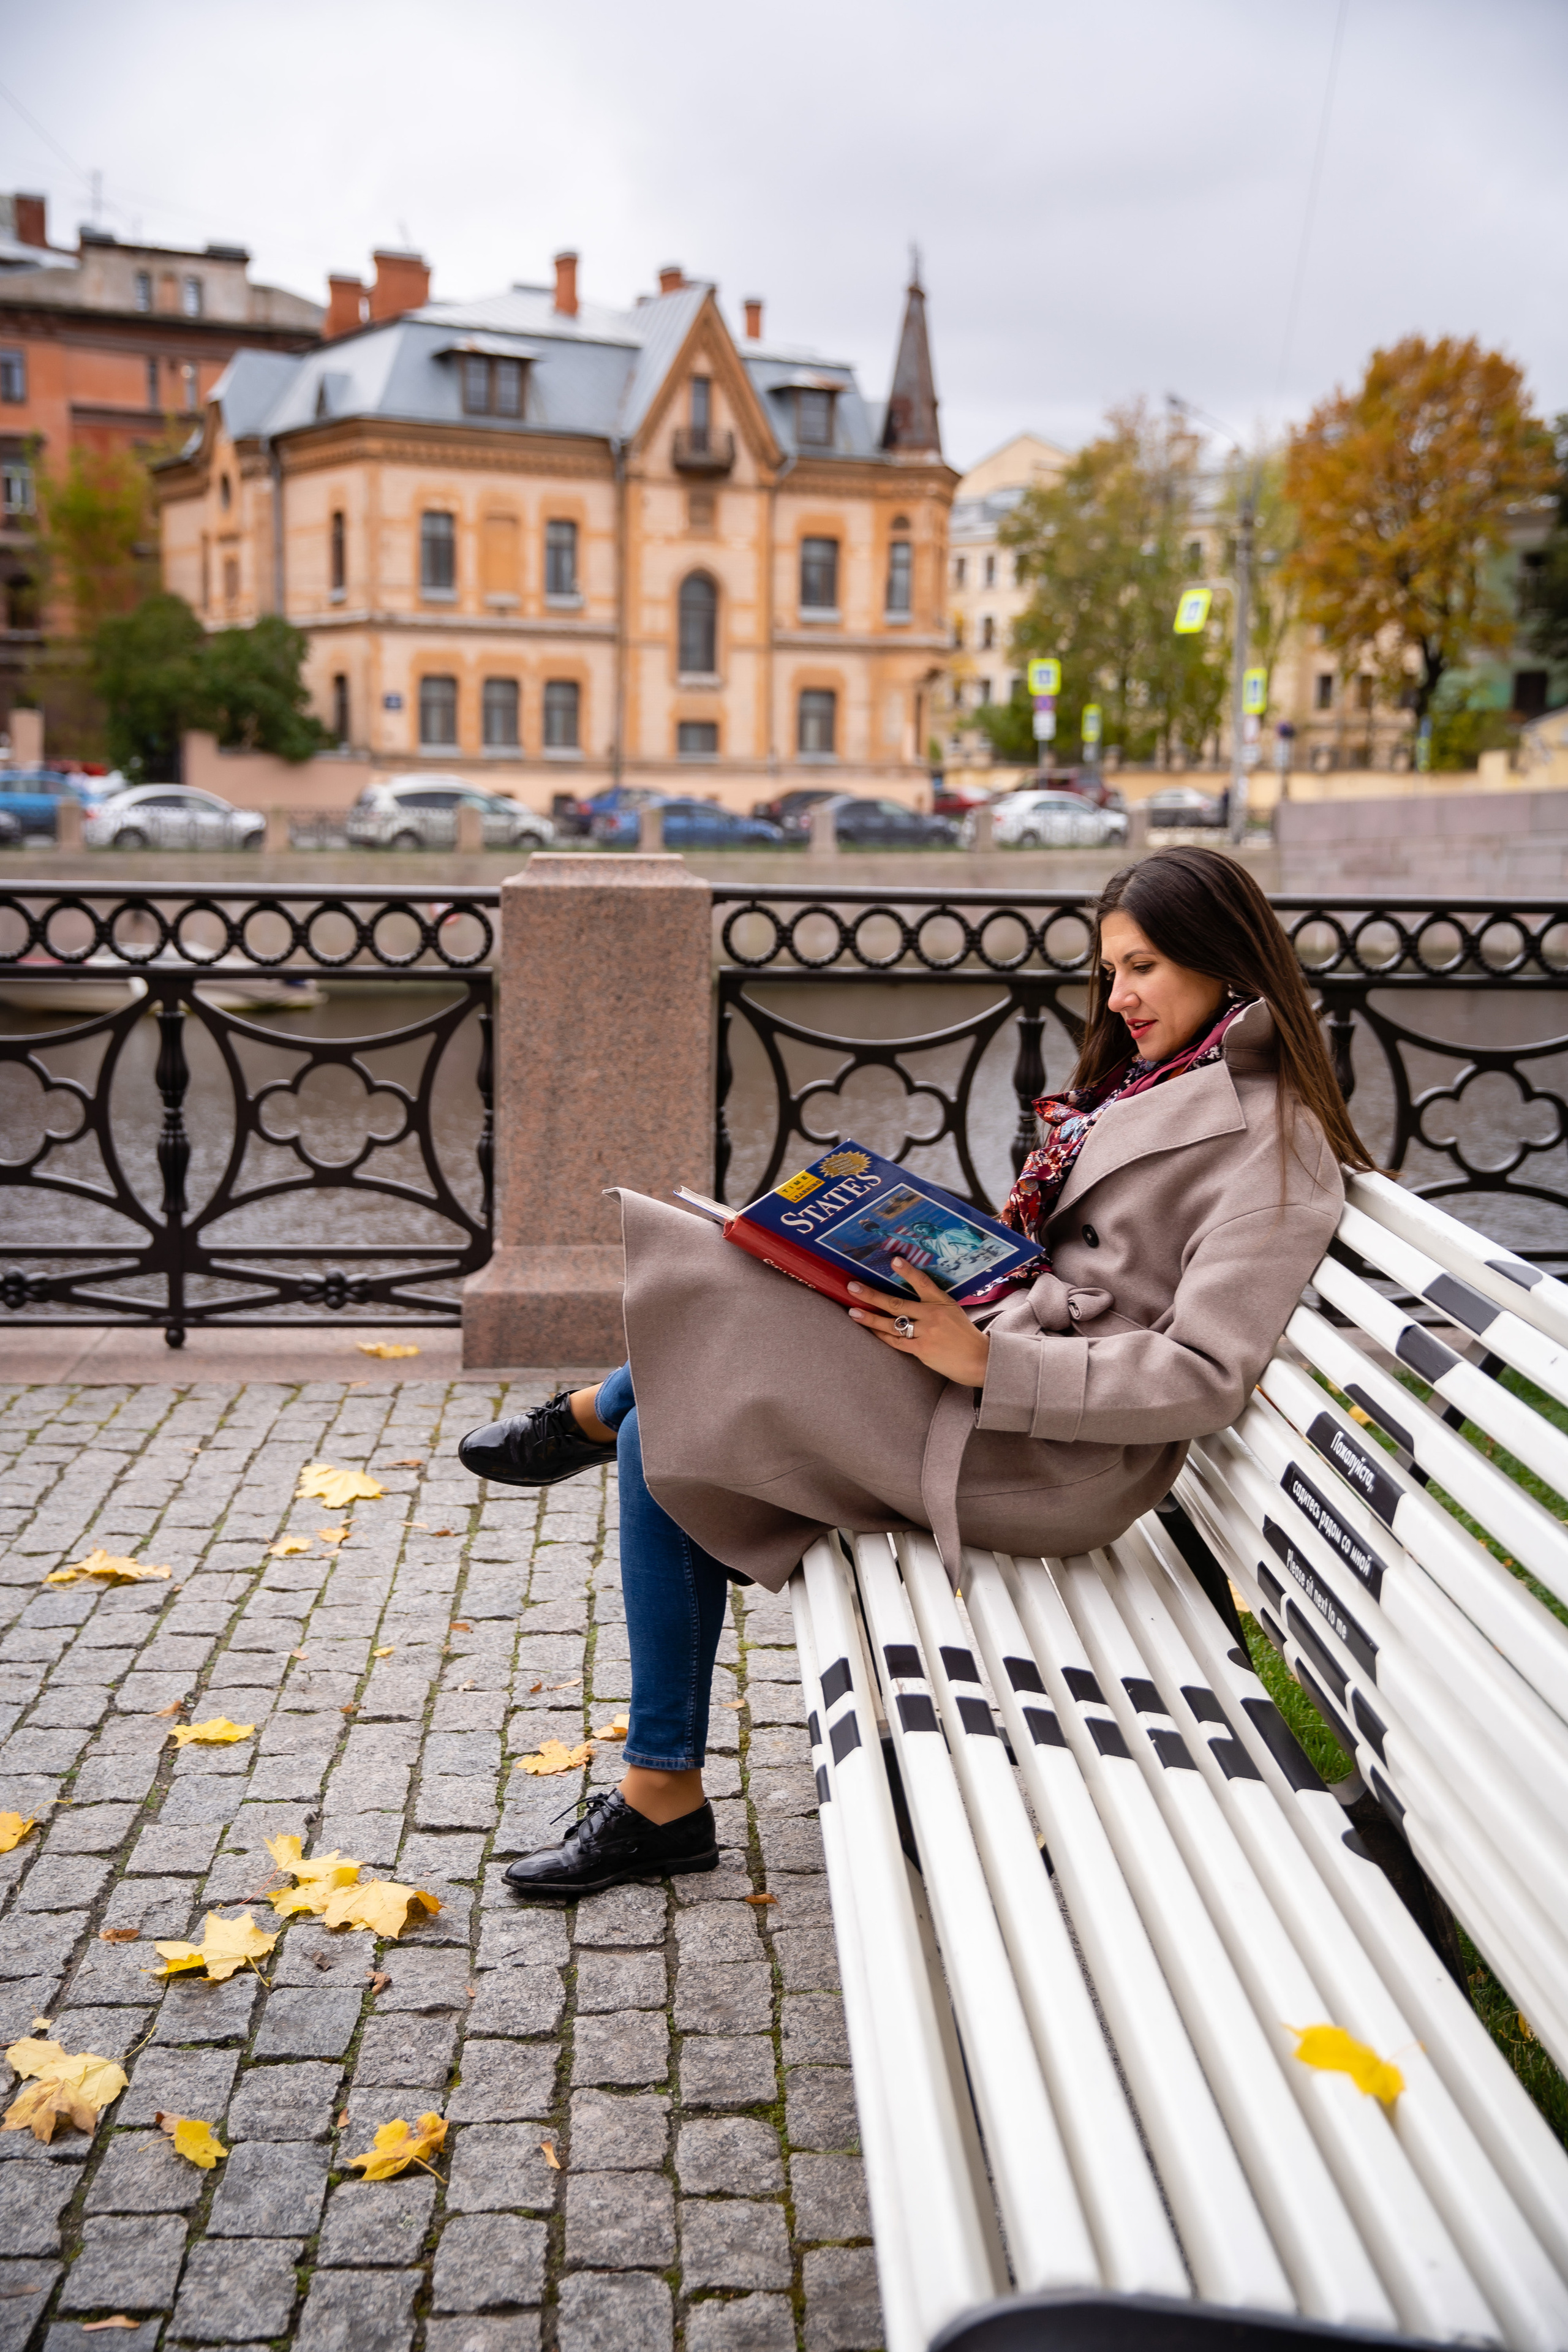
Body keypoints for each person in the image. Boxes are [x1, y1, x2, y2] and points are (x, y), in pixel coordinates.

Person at [459, 846, 1372, 1899]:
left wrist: (989, 1359)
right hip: (1003, 1375)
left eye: (1145, 968)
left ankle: (591, 1432)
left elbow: (1206, 1374)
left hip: (1057, 1451)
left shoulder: (1276, 1144)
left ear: (1224, 960)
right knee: (739, 1303)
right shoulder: (1163, 1077)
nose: (1119, 998)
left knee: (690, 1356)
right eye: (1110, 970)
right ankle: (658, 1787)